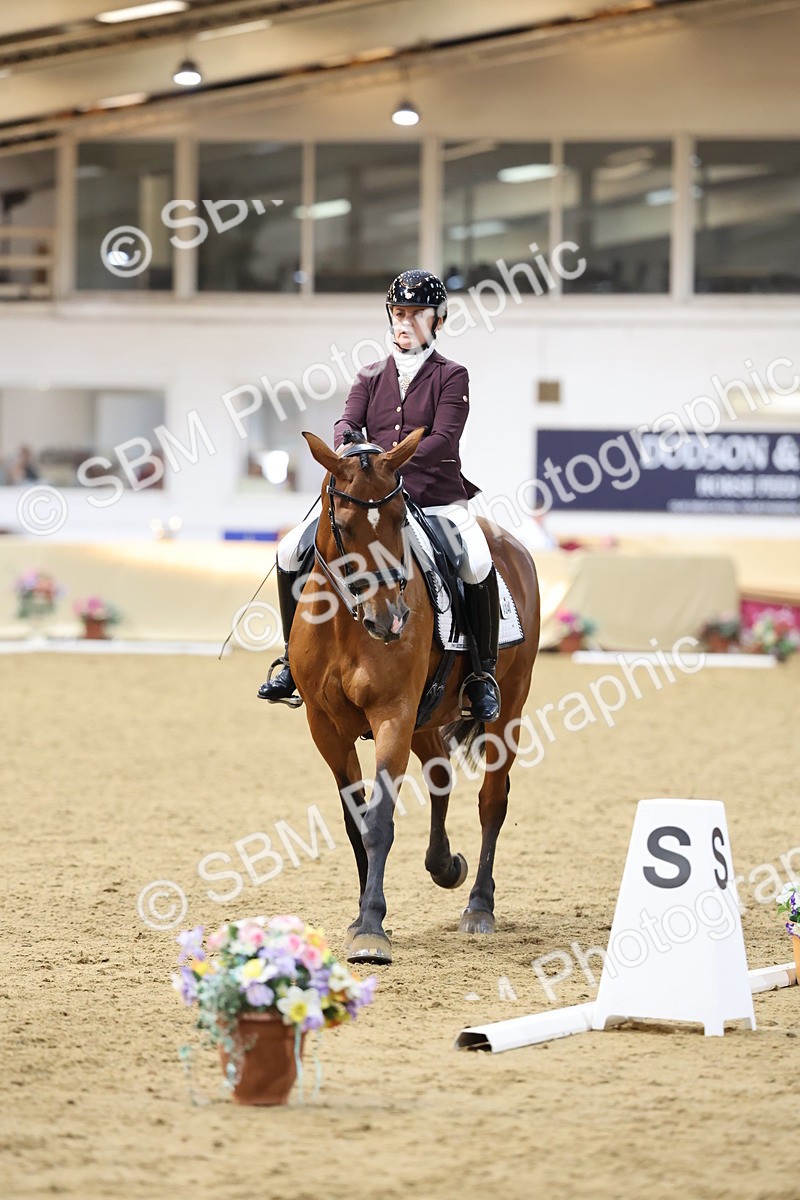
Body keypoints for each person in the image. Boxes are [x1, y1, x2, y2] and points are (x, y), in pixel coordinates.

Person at [257, 268, 501, 722]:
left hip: (435, 497)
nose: (405, 322)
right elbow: (346, 423)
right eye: (399, 313)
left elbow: (444, 439)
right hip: (372, 501)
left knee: (478, 560)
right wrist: (351, 446)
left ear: (439, 320)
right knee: (291, 548)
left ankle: (480, 674)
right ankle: (292, 661)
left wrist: (387, 463)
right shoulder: (370, 375)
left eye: (417, 314)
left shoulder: (452, 375)